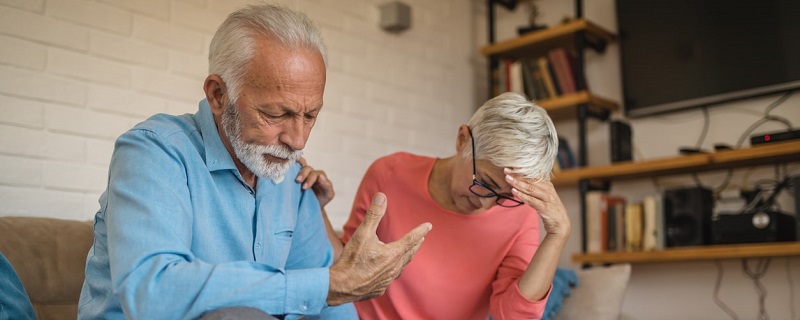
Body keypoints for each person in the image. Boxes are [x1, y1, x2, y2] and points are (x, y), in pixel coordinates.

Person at [78, 4, 430, 320]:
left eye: (310, 116)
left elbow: (331, 305)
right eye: (276, 114)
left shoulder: (292, 179)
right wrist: (325, 286)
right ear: (218, 95)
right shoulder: (154, 151)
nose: (298, 141)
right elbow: (153, 292)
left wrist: (331, 286)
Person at [297, 92, 569, 319]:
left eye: (505, 196)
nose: (486, 203)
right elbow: (347, 267)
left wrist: (557, 234)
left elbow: (512, 317)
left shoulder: (520, 215)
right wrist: (316, 208)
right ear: (462, 139)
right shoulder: (390, 174)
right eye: (485, 182)